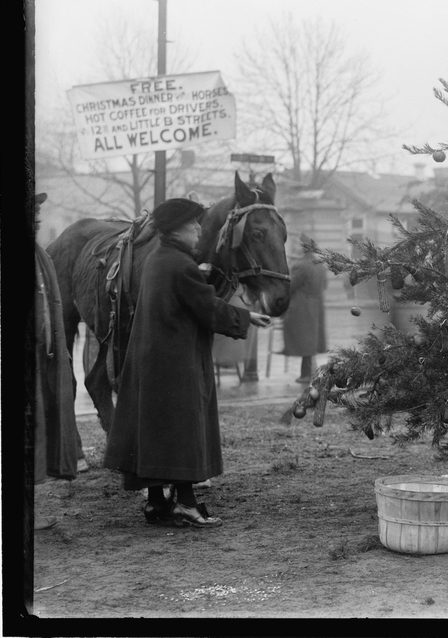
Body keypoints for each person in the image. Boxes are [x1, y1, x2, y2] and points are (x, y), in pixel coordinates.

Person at [103, 198, 272, 528]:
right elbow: (207, 307)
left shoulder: (157, 259)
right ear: (175, 230)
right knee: (182, 431)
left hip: (152, 361)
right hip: (176, 363)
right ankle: (186, 505)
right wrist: (246, 316)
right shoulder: (181, 265)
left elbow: (191, 298)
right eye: (192, 224)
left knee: (156, 432)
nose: (198, 229)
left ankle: (155, 503)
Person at [32, 194, 79, 528]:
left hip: (39, 361)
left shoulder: (38, 256)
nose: (37, 216)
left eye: (37, 211)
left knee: (35, 431)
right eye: (31, 210)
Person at [281, 233, 328, 383]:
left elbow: (289, 286)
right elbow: (325, 285)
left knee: (302, 340)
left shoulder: (300, 265)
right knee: (310, 341)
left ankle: (305, 374)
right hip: (316, 306)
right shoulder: (319, 263)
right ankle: (306, 373)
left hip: (301, 307)